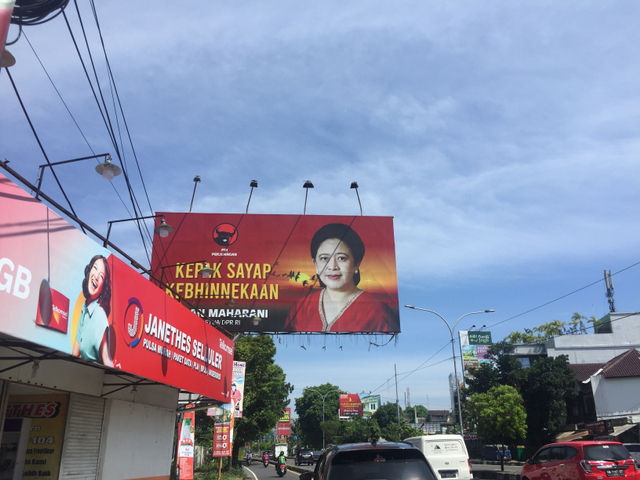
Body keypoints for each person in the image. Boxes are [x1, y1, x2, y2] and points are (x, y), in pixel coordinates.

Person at [284, 223, 399, 333]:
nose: (332, 267)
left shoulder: (378, 312)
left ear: (356, 264)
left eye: (341, 258)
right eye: (324, 258)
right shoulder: (301, 308)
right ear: (315, 264)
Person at [72, 255, 114, 366]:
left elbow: (106, 357)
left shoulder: (99, 314)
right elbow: (75, 353)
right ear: (89, 271)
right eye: (95, 268)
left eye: (101, 276)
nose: (96, 276)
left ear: (103, 287)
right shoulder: (84, 308)